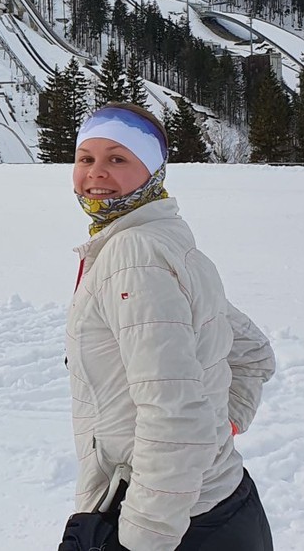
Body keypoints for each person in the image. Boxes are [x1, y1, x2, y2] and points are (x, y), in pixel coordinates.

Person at [62, 103, 276, 551]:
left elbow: (174, 413)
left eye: (117, 158)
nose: (96, 172)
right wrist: (218, 433)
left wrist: (142, 538)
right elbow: (251, 349)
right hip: (213, 504)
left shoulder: (133, 257)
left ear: (152, 170)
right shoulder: (162, 236)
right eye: (86, 158)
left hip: (172, 524)